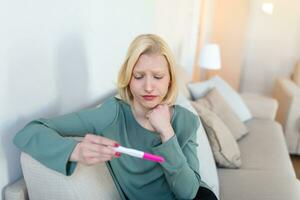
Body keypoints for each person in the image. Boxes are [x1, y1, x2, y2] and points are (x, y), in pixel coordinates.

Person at [13, 34, 217, 200]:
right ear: (128, 79)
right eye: (139, 76)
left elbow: (189, 192)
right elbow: (30, 131)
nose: (148, 86)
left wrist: (167, 132)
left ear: (170, 80)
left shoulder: (186, 121)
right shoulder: (111, 114)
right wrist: (74, 151)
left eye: (157, 76)